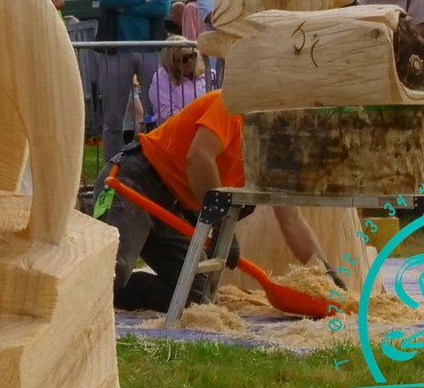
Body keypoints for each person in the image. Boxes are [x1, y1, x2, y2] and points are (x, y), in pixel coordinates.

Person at [106, 87, 324, 311]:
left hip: (174, 204)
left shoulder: (280, 153)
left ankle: (121, 293)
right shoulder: (233, 104)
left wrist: (326, 274)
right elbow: (199, 157)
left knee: (194, 296)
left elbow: (292, 221)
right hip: (135, 181)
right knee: (111, 271)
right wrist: (220, 222)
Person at [93, 0, 174, 166]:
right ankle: (110, 171)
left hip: (150, 49)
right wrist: (142, 1)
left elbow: (163, 6)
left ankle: (157, 165)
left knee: (156, 114)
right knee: (113, 118)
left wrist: (122, 5)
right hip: (114, 50)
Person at [143, 43, 209, 126]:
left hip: (205, 126)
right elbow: (166, 112)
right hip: (175, 128)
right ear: (171, 62)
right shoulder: (161, 77)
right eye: (184, 59)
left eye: (193, 55)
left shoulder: (208, 73)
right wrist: (193, 123)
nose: (190, 61)